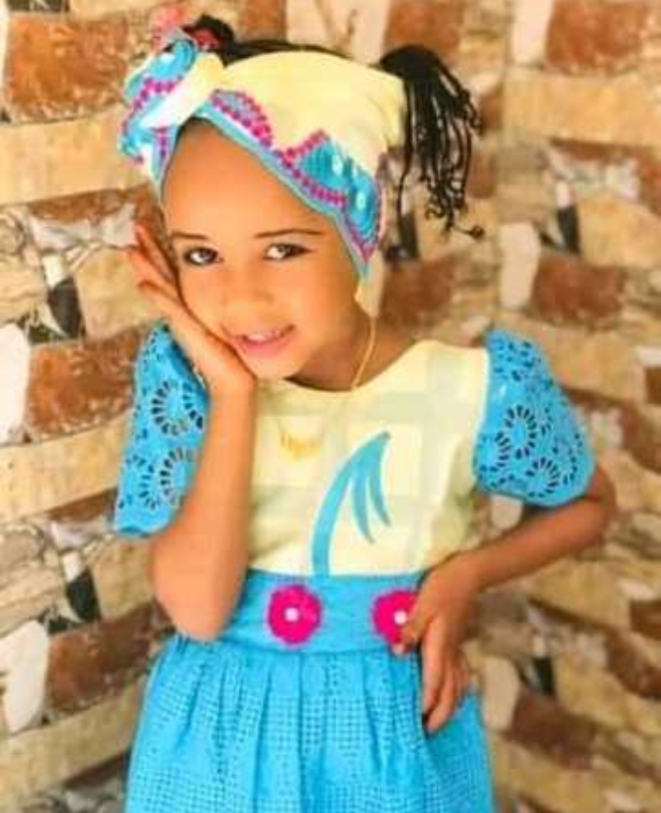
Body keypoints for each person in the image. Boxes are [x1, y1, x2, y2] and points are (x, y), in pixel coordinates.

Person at [111, 14, 617, 813]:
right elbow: (199, 612)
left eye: (282, 248)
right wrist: (235, 397)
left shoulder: (468, 388)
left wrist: (465, 574)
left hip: (387, 754)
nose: (241, 297)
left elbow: (589, 503)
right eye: (201, 254)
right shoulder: (192, 383)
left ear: (357, 227)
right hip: (216, 750)